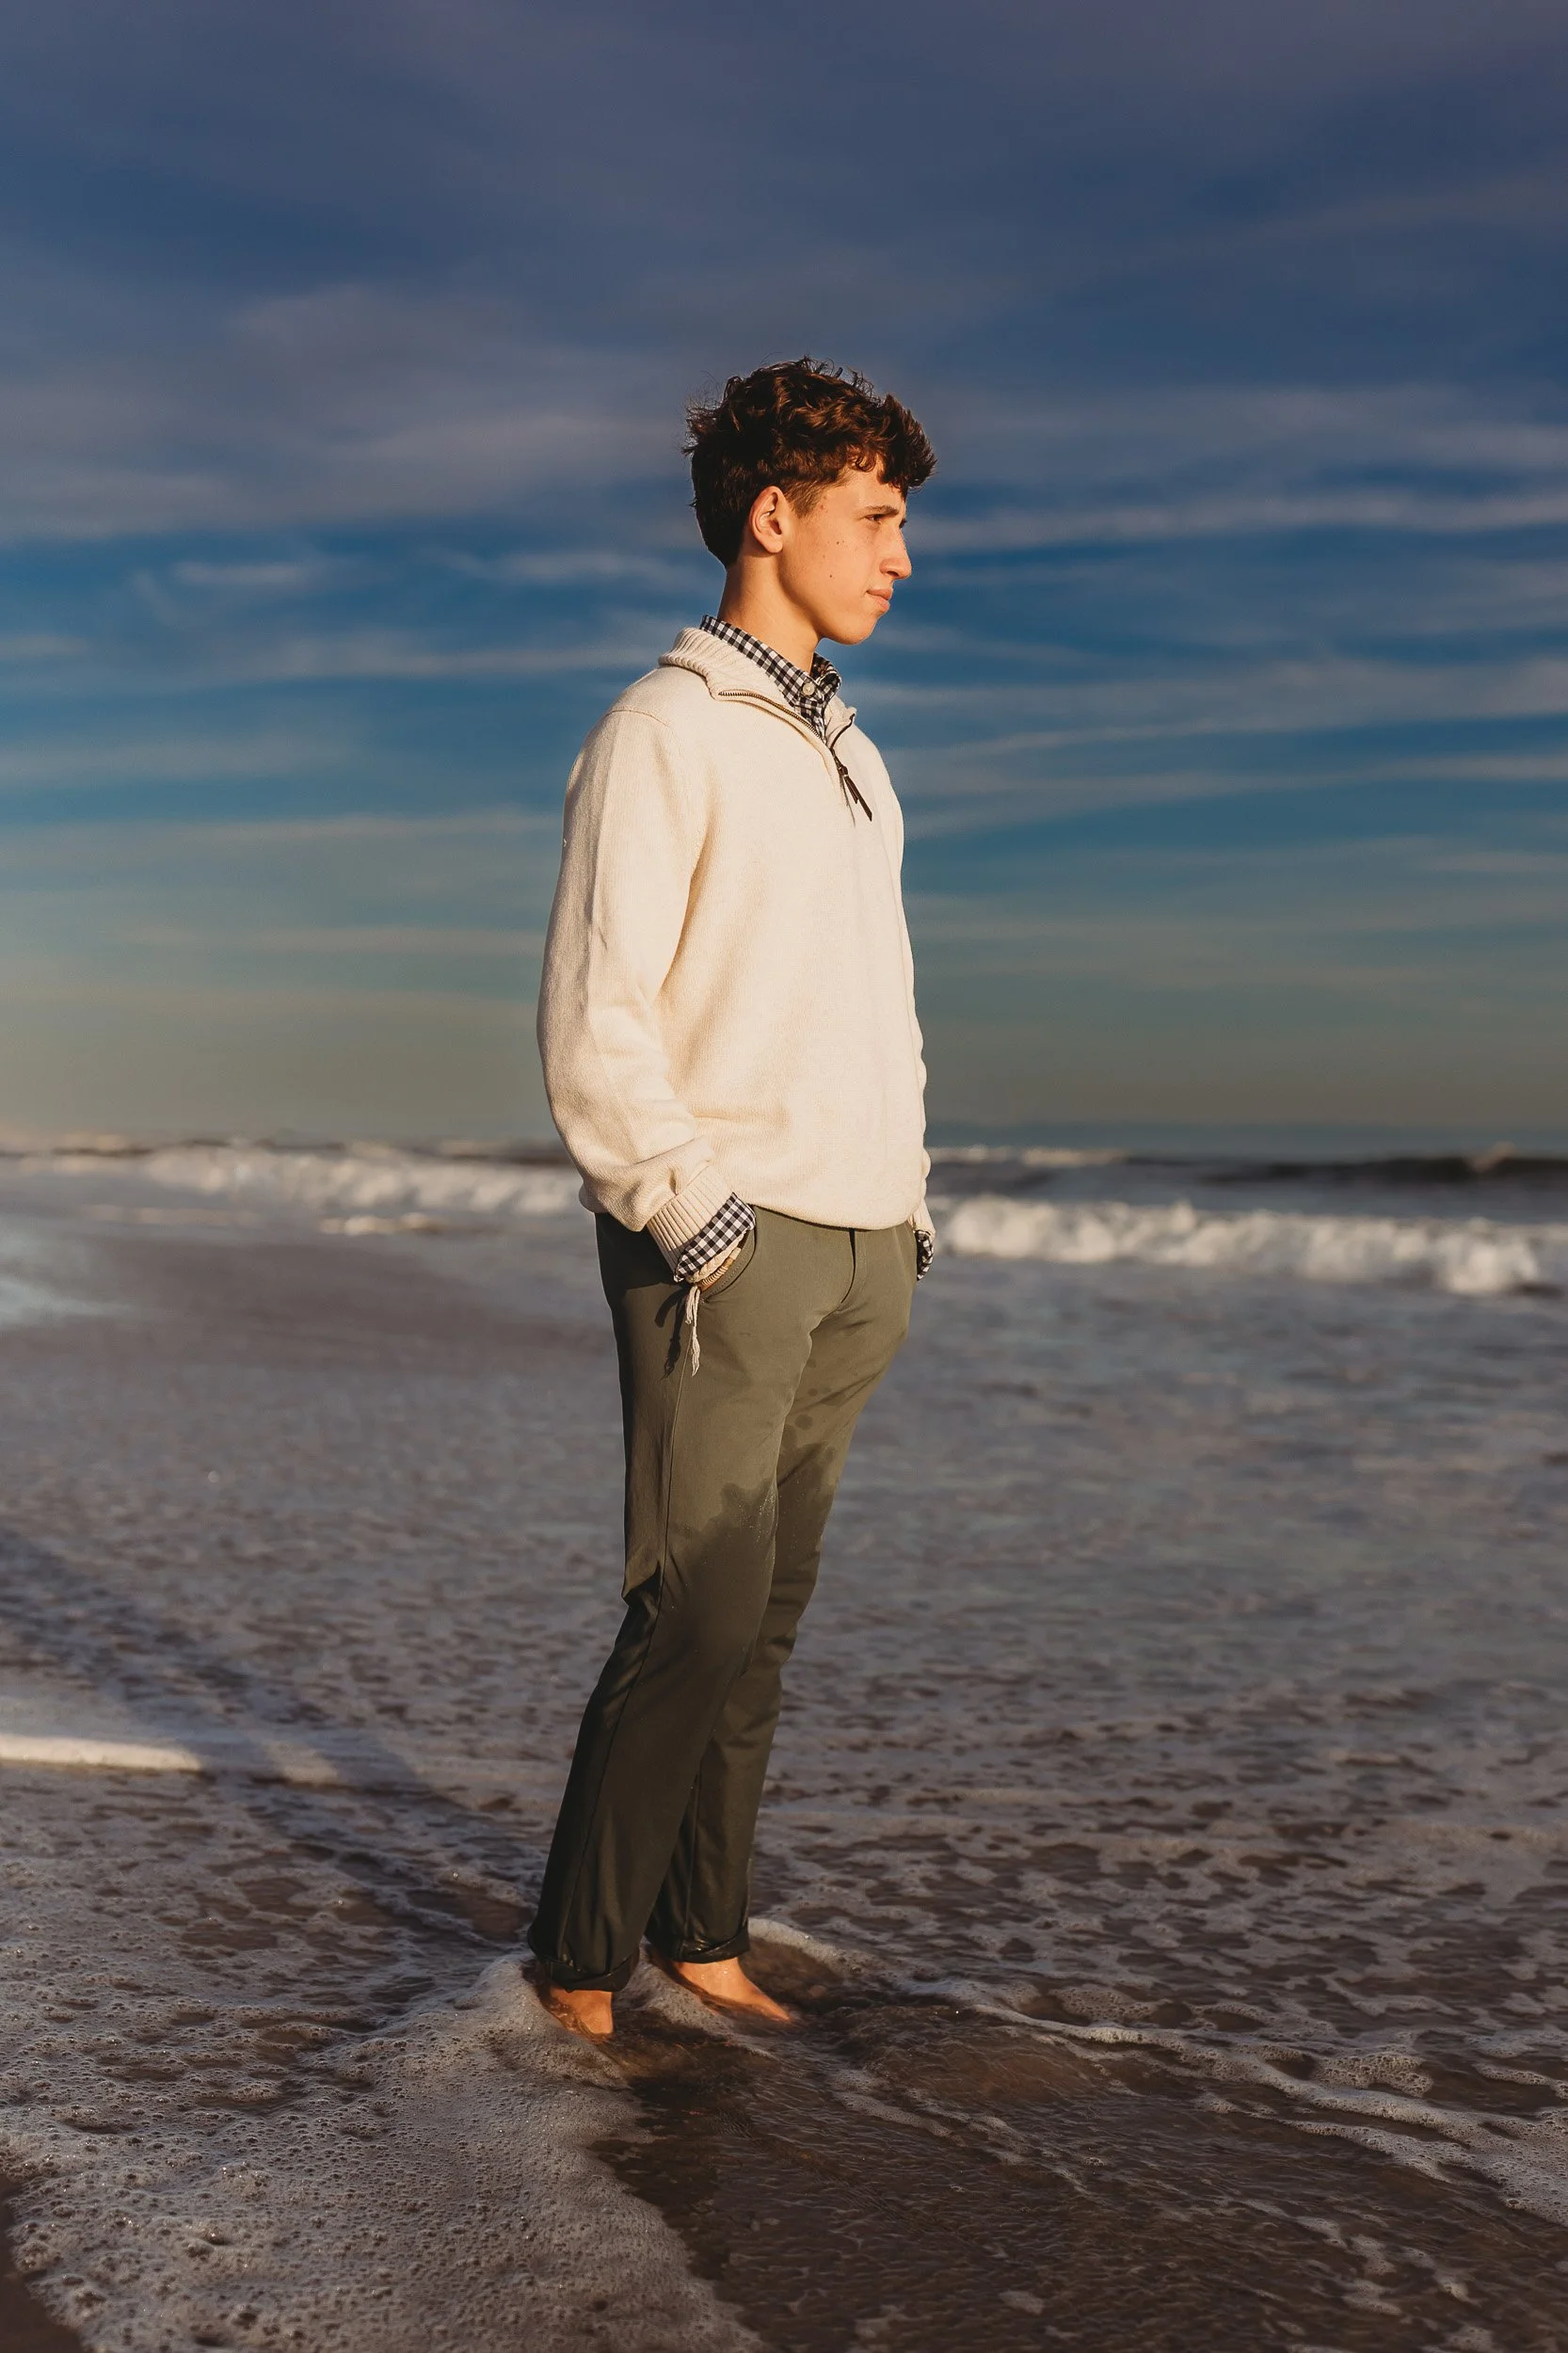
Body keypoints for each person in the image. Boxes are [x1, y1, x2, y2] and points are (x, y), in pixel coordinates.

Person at [527, 356, 937, 2037]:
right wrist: (690, 1211)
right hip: (729, 1235)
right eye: (876, 516)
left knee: (762, 1624)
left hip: (859, 1238)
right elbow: (595, 1006)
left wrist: (901, 1210)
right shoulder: (662, 728)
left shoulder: (852, 753)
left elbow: (866, 1003)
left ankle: (705, 1934)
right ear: (775, 519)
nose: (900, 555)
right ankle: (572, 1964)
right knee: (688, 1612)